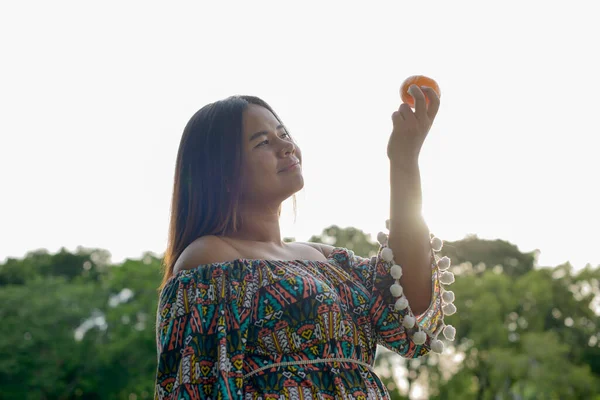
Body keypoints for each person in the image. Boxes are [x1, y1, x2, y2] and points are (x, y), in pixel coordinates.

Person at [154, 88, 457, 399]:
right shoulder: (210, 256)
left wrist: (404, 158)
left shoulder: (322, 257)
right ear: (223, 172)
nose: (287, 146)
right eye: (263, 142)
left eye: (283, 134)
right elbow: (196, 384)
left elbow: (410, 299)